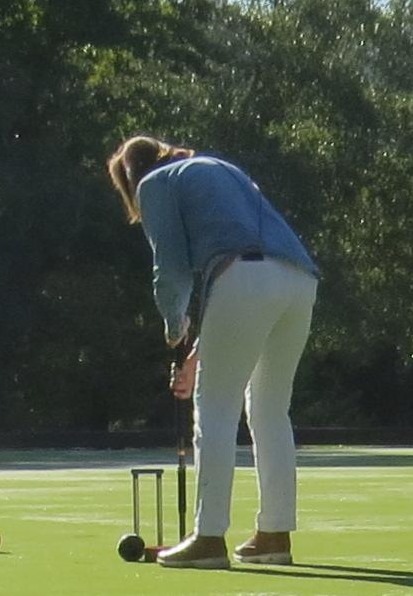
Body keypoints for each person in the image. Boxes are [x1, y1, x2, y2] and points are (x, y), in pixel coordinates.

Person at [107, 135, 320, 567]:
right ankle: (274, 535)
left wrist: (173, 325)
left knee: (215, 408)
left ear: (130, 176)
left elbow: (170, 268)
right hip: (299, 280)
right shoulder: (217, 168)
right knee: (270, 410)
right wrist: (195, 351)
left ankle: (208, 538)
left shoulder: (154, 184)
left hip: (243, 277)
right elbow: (245, 277)